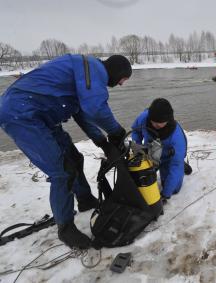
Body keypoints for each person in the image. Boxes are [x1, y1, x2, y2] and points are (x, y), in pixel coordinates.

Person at [0, 54, 132, 248]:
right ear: (117, 72)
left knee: (74, 158)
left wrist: (101, 141)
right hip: (22, 114)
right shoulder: (93, 70)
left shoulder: (84, 73)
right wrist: (116, 131)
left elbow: (82, 113)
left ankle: (85, 199)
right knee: (62, 171)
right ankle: (65, 228)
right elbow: (95, 108)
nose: (121, 84)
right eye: (123, 79)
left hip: (41, 115)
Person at [132, 98, 187, 201]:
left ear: (168, 119)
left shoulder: (176, 138)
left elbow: (175, 166)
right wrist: (138, 148)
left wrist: (165, 194)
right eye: (153, 122)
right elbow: (135, 132)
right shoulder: (144, 117)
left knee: (173, 189)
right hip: (150, 152)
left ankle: (182, 164)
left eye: (160, 123)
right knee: (142, 181)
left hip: (168, 158)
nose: (155, 125)